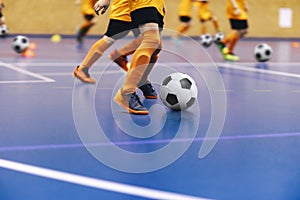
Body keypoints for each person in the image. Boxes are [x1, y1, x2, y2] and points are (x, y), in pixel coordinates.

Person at [94, 0, 165, 115]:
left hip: (156, 3)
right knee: (151, 41)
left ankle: (141, 80)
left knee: (156, 47)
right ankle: (126, 92)